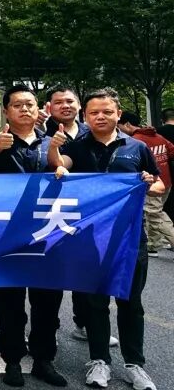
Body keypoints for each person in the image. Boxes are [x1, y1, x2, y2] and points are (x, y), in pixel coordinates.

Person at [48, 88, 163, 390]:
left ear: (118, 114)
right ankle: (99, 360)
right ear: (85, 116)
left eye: (107, 111)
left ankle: (135, 364)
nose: (101, 116)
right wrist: (55, 153)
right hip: (89, 240)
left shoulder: (137, 147)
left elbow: (160, 185)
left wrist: (149, 183)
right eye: (94, 112)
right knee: (95, 302)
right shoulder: (77, 147)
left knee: (130, 302)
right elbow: (61, 165)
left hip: (129, 239)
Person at [0, 84, 65, 388]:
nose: (25, 109)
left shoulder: (51, 142)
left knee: (47, 301)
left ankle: (44, 360)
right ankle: (13, 360)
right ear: (6, 111)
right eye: (17, 105)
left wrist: (60, 165)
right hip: (9, 235)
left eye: (29, 104)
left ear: (38, 108)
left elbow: (62, 166)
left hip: (47, 234)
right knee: (11, 302)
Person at [116, 112, 174, 257]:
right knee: (153, 213)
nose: (118, 130)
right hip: (166, 182)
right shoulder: (158, 136)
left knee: (155, 214)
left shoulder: (134, 142)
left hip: (151, 184)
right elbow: (172, 151)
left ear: (127, 124)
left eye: (119, 126)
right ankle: (153, 244)